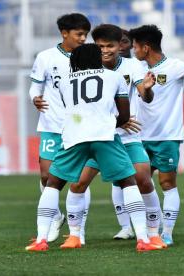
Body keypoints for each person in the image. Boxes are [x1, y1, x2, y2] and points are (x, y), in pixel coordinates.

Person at [25, 44, 163, 252]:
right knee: (128, 182)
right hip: (105, 137)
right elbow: (124, 116)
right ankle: (143, 239)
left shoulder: (65, 82)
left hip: (74, 137)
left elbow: (73, 110)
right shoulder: (114, 77)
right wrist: (107, 124)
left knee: (53, 184)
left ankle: (41, 240)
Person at [66, 24, 166, 248]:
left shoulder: (132, 66)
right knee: (78, 183)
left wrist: (148, 89)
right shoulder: (89, 67)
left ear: (121, 46)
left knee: (143, 179)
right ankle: (76, 234)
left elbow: (144, 95)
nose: (105, 50)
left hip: (127, 137)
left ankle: (153, 233)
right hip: (98, 137)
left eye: (109, 45)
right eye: (100, 46)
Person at [128, 25, 184, 245]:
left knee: (167, 183)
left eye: (135, 46)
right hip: (139, 137)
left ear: (146, 47)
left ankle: (167, 232)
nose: (132, 50)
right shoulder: (137, 69)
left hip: (166, 137)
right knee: (139, 183)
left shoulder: (175, 67)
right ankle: (148, 229)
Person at [28, 13, 91, 243]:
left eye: (86, 34)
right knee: (47, 176)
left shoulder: (90, 57)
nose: (83, 38)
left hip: (79, 127)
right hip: (52, 125)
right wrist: (35, 98)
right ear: (65, 33)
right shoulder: (45, 57)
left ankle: (79, 230)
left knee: (79, 180)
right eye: (79, 34)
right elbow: (34, 88)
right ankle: (55, 216)